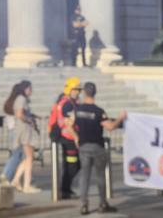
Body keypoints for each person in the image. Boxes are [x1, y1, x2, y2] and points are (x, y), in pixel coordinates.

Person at [68, 82, 125, 215]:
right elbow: (110, 127)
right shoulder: (99, 111)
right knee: (100, 177)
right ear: (95, 93)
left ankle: (84, 204)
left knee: (85, 176)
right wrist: (120, 118)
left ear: (84, 93)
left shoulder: (77, 110)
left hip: (83, 146)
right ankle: (102, 203)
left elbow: (68, 125)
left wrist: (76, 138)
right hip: (97, 146)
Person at [51, 77, 82, 199]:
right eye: (75, 90)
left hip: (67, 138)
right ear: (69, 89)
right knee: (72, 165)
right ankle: (64, 189)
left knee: (71, 165)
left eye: (79, 90)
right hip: (69, 139)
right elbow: (69, 124)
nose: (78, 92)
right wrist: (76, 138)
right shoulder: (67, 105)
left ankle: (66, 189)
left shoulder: (65, 102)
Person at [9, 80, 41, 193]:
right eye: (30, 88)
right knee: (29, 157)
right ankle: (27, 185)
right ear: (25, 88)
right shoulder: (21, 99)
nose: (31, 91)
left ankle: (16, 180)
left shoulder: (20, 99)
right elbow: (19, 114)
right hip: (24, 131)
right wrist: (29, 120)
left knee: (28, 158)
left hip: (23, 130)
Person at [0, 82, 26, 184]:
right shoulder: (19, 102)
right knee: (17, 154)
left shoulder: (9, 102)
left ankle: (19, 178)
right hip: (17, 131)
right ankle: (6, 174)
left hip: (11, 130)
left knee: (21, 155)